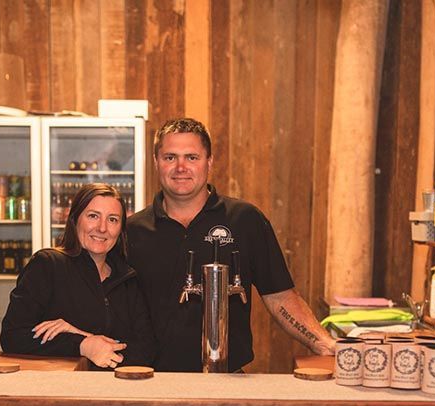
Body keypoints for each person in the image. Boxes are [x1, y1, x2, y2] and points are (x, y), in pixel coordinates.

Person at [126, 118, 335, 372]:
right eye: (170, 157)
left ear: (209, 162)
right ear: (156, 162)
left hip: (228, 378)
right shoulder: (133, 230)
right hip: (151, 381)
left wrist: (323, 342)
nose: (181, 167)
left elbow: (279, 295)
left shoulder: (245, 220)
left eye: (192, 157)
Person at [0, 183, 155, 369]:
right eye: (93, 216)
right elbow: (13, 336)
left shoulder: (127, 278)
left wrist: (81, 336)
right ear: (75, 219)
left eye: (112, 219)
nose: (102, 228)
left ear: (121, 229)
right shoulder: (48, 265)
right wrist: (81, 346)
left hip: (115, 392)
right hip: (62, 392)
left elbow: (146, 351)